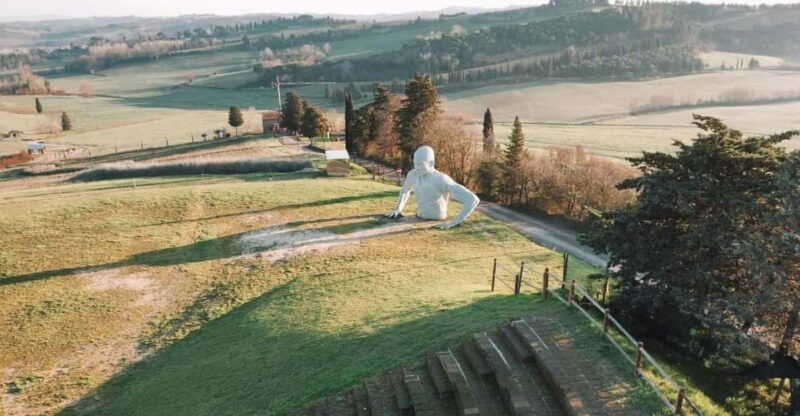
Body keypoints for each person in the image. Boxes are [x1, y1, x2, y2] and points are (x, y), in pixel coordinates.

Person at [385, 146, 480, 229]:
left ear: (431, 163)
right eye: (415, 163)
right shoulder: (412, 175)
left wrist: (454, 222)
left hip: (436, 218)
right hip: (419, 216)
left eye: (420, 164)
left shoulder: (440, 179)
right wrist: (398, 208)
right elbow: (405, 190)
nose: (416, 167)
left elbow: (472, 199)